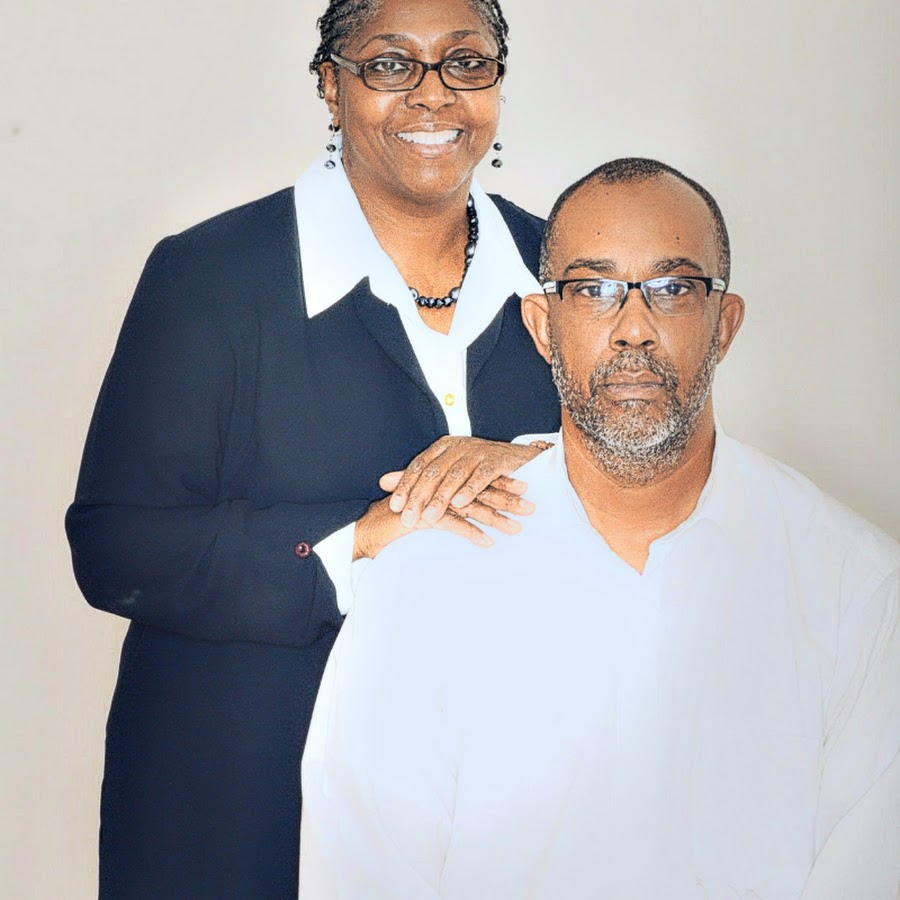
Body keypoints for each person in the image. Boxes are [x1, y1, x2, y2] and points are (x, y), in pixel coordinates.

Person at [299, 158, 900, 898]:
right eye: (592, 290)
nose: (634, 330)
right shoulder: (422, 577)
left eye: (673, 289)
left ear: (724, 325)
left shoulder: (855, 590)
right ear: (543, 327)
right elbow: (362, 872)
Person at [64, 0, 561, 895]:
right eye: (390, 64)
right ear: (332, 86)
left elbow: (660, 476)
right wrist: (359, 539)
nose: (434, 94)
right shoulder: (211, 277)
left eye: (466, 61)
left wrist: (546, 462)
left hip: (500, 806)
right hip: (247, 807)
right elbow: (116, 547)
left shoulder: (569, 272)